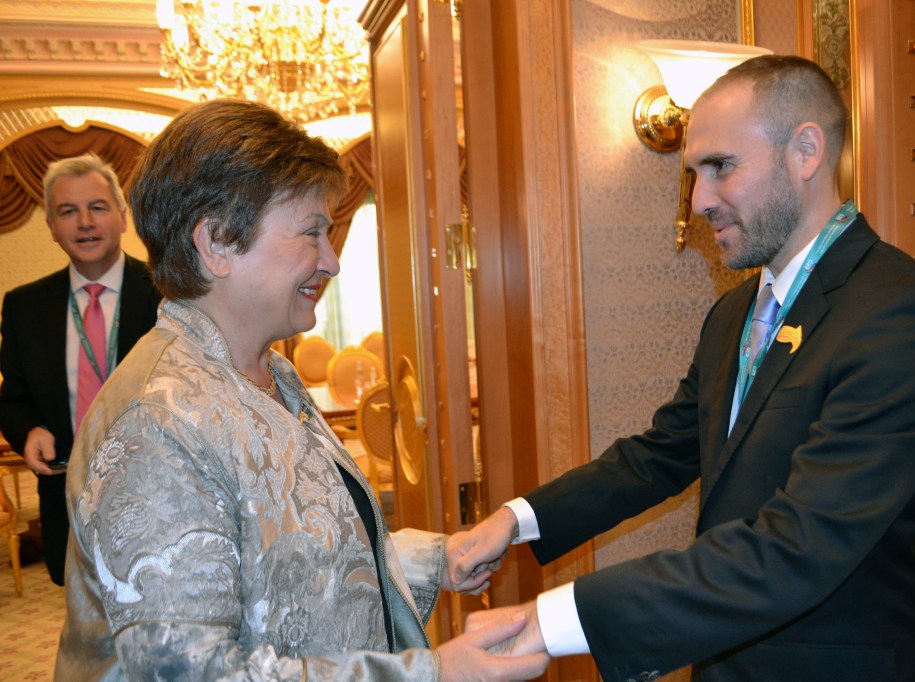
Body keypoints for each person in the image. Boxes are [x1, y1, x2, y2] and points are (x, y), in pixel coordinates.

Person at [449, 55, 915, 682]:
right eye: (693, 175)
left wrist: (554, 620)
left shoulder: (904, 315)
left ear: (806, 152)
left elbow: (800, 544)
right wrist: (515, 520)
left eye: (721, 166)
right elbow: (659, 455)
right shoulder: (733, 314)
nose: (698, 201)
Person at [54, 98, 547, 682]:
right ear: (216, 243)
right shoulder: (156, 423)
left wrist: (436, 559)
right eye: (312, 232)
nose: (331, 262)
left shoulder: (269, 373)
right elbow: (193, 673)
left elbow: (290, 560)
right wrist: (431, 673)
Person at [0, 153, 161, 586]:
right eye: (68, 211)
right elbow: (13, 400)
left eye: (98, 207)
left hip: (158, 496)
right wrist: (29, 430)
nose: (85, 222)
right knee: (82, 616)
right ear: (51, 226)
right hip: (68, 499)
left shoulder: (167, 296)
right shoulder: (24, 307)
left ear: (123, 217)